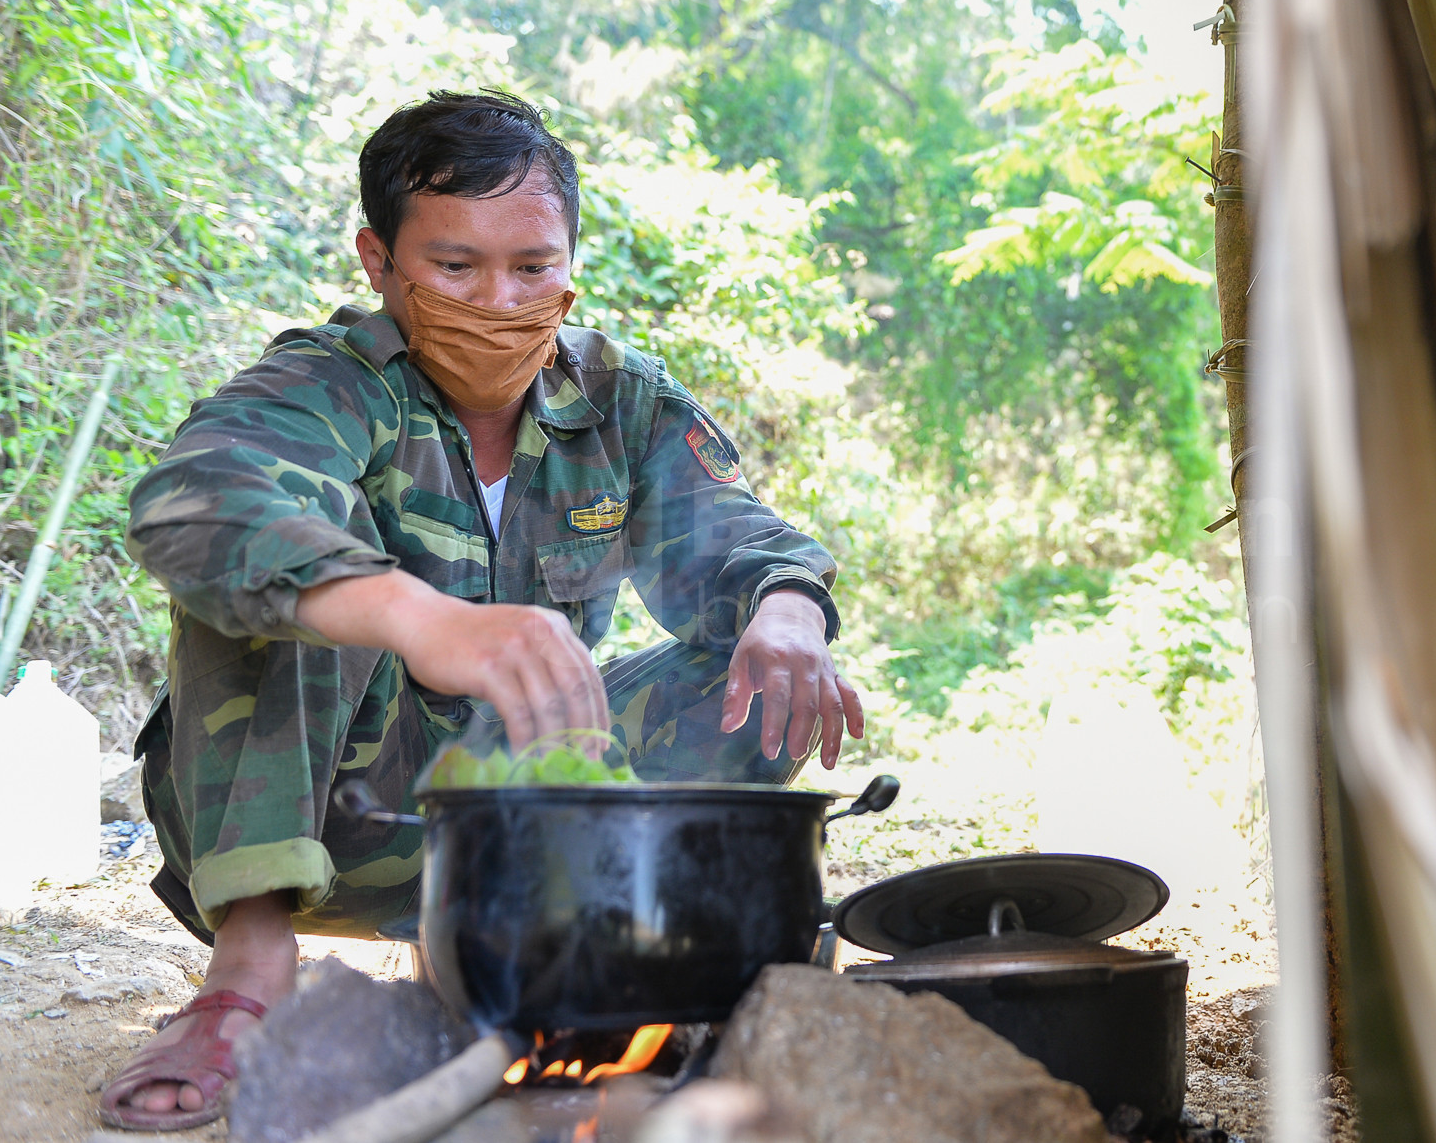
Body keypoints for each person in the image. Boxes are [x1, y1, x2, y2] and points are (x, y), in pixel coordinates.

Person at [98, 91, 863, 1130]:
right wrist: (414, 614)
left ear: (570, 261)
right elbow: (196, 505)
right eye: (454, 267)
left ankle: (559, 964)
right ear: (380, 262)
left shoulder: (618, 400)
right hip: (332, 818)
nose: (499, 299)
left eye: (532, 266)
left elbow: (740, 536)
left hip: (522, 830)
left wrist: (784, 610)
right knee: (298, 581)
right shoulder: (328, 386)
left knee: (754, 658)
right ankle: (248, 971)